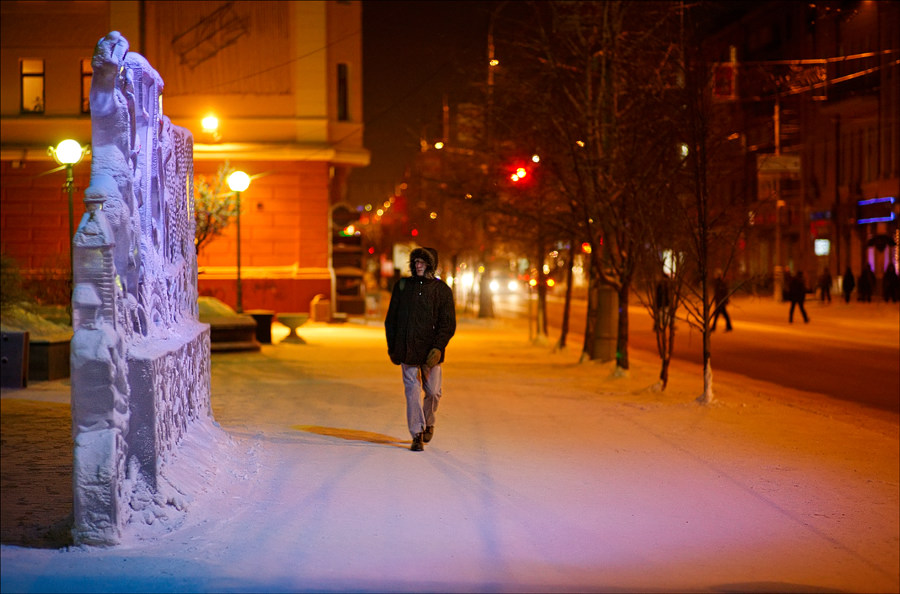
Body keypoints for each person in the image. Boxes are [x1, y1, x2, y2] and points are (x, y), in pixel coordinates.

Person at [384, 247, 456, 452]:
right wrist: (393, 348)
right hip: (407, 350)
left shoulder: (442, 291)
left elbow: (447, 323)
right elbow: (392, 320)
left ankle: (429, 422)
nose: (417, 266)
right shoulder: (403, 287)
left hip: (431, 352)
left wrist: (438, 348)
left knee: (433, 392)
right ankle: (417, 434)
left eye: (422, 262)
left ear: (430, 265)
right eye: (415, 262)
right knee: (412, 392)